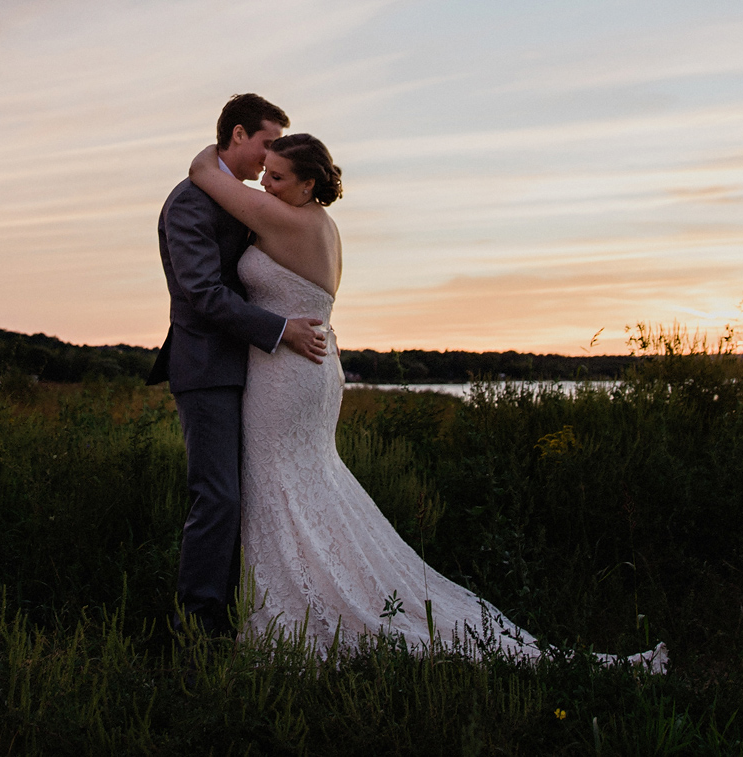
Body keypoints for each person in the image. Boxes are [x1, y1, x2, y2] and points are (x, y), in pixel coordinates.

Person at [180, 129, 545, 658]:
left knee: (275, 483)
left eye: (278, 176)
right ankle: (318, 590)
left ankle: (295, 614)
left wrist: (224, 144)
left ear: (308, 185)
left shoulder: (283, 218)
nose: (265, 182)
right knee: (305, 482)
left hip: (287, 371)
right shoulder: (325, 226)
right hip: (313, 366)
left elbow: (201, 172)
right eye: (265, 173)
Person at [149, 93, 330, 637]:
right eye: (267, 142)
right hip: (207, 367)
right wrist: (278, 329)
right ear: (237, 136)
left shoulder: (236, 196)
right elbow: (202, 292)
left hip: (253, 369)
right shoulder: (189, 203)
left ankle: (240, 611)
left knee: (246, 495)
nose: (272, 155)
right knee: (218, 497)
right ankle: (198, 627)